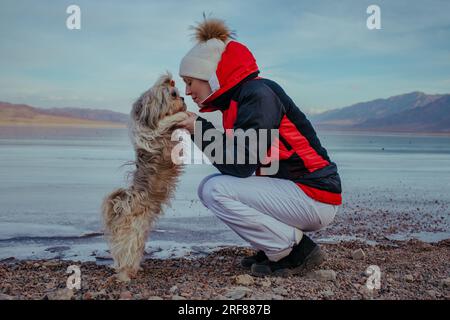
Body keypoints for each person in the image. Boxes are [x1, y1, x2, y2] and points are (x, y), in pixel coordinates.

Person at [176, 17, 342, 277]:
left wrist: (198, 127)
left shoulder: (258, 95)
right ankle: (274, 245)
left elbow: (240, 165)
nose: (187, 91)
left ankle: (294, 250)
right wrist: (196, 127)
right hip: (302, 191)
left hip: (314, 195)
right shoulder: (243, 98)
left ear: (210, 74)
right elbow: (245, 161)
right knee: (221, 184)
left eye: (189, 81)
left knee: (213, 188)